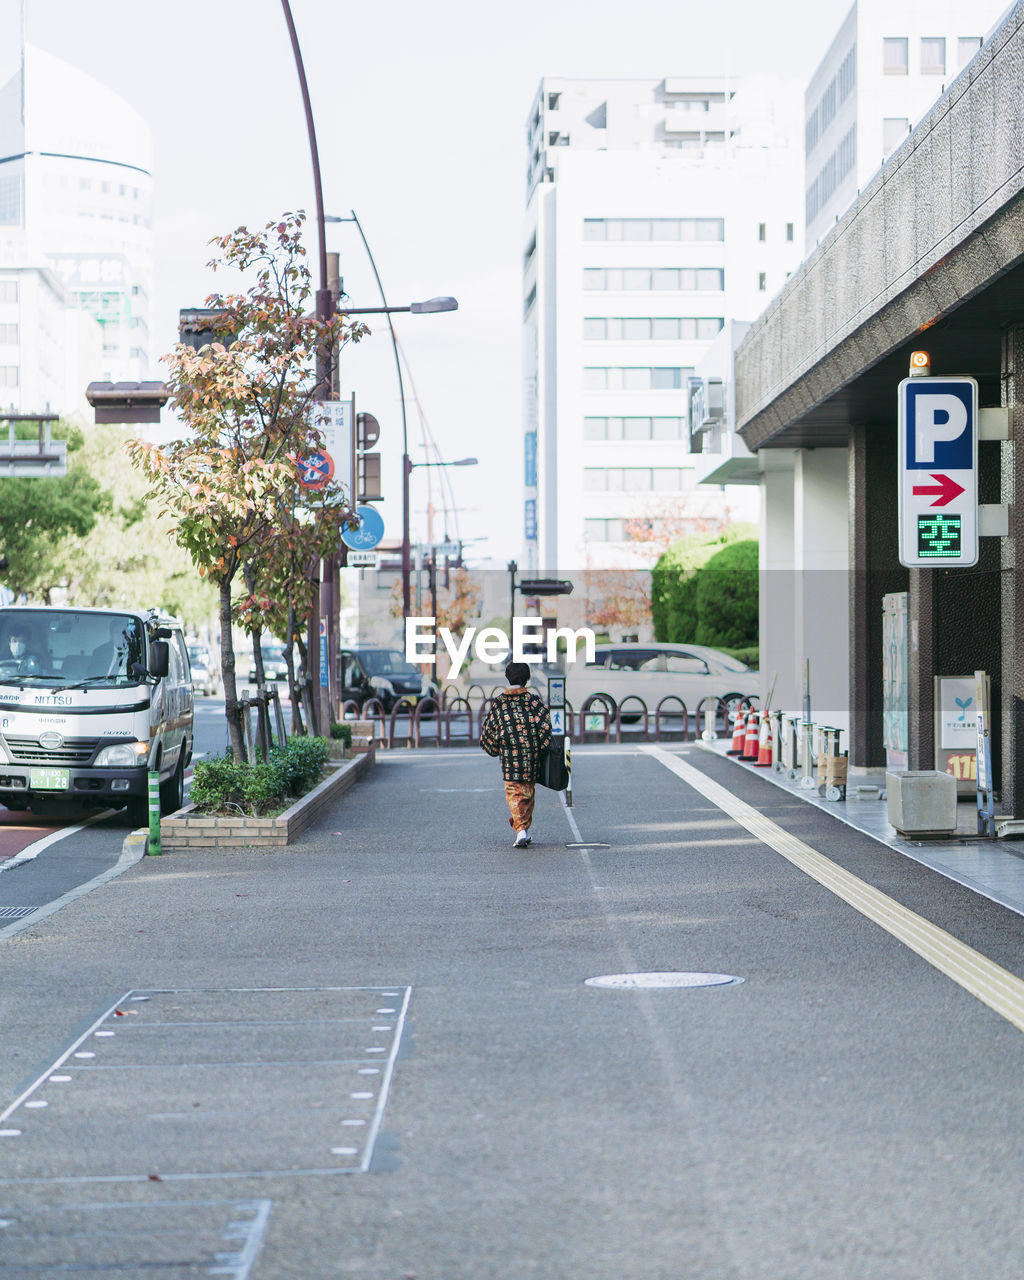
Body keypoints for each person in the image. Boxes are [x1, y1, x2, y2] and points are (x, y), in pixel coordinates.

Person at [480, 661, 552, 849]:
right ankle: (523, 829)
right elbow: (545, 725)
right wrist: (541, 747)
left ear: (507, 676)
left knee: (514, 793)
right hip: (531, 756)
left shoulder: (500, 702)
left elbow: (489, 729)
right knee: (527, 793)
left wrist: (494, 746)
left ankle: (521, 830)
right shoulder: (533, 700)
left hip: (510, 756)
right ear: (527, 678)